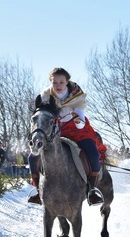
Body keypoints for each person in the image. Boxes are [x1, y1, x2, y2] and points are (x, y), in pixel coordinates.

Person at [29, 67, 105, 206]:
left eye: (61, 82)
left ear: (67, 82)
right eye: (55, 82)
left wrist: (77, 120)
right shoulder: (45, 96)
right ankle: (38, 192)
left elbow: (80, 124)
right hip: (56, 131)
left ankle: (92, 190)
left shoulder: (77, 96)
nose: (58, 85)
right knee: (32, 157)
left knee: (93, 154)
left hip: (77, 130)